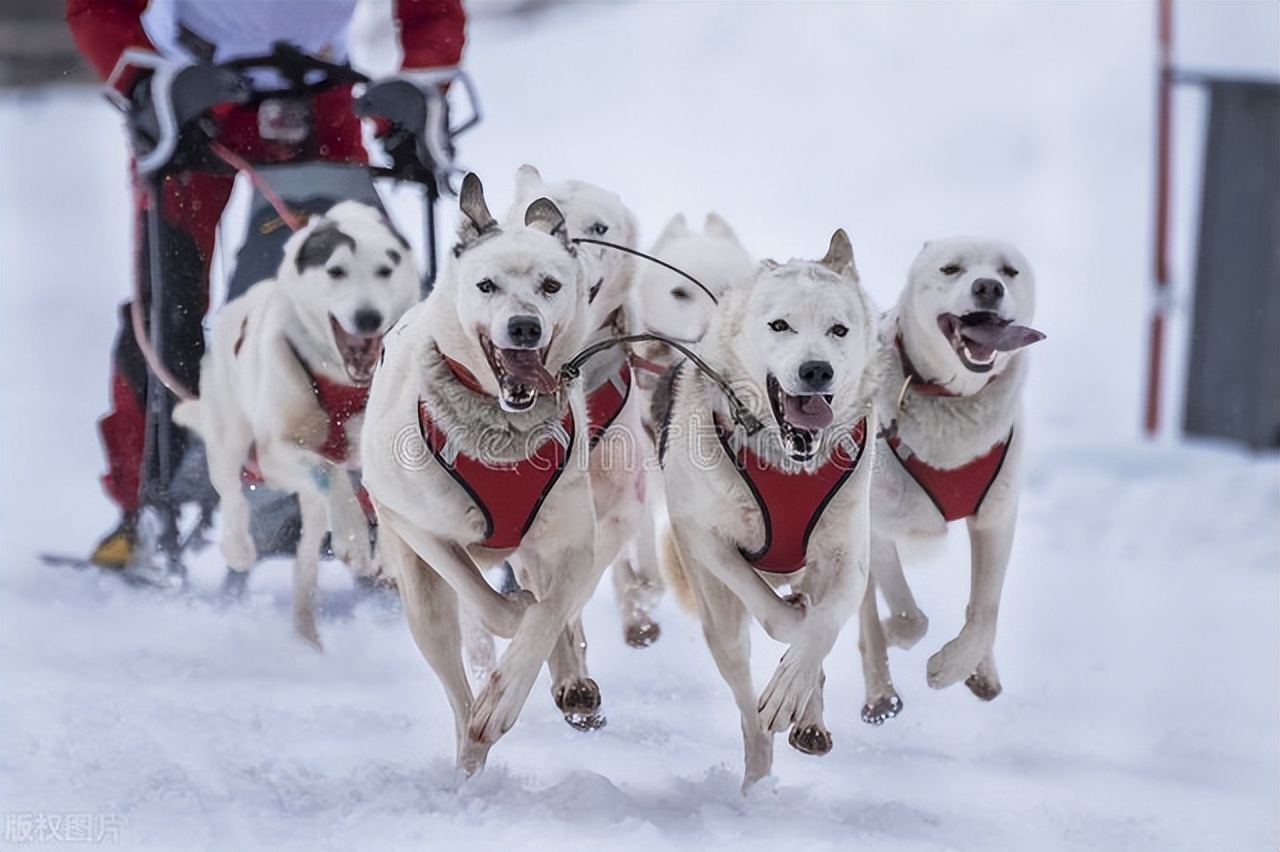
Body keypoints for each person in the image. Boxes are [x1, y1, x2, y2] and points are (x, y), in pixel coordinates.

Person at [65, 0, 467, 567]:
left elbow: (432, 12)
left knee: (365, 291)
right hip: (193, 94)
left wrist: (417, 96)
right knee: (169, 305)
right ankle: (145, 504)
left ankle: (381, 495)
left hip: (323, 91)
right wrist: (142, 83)